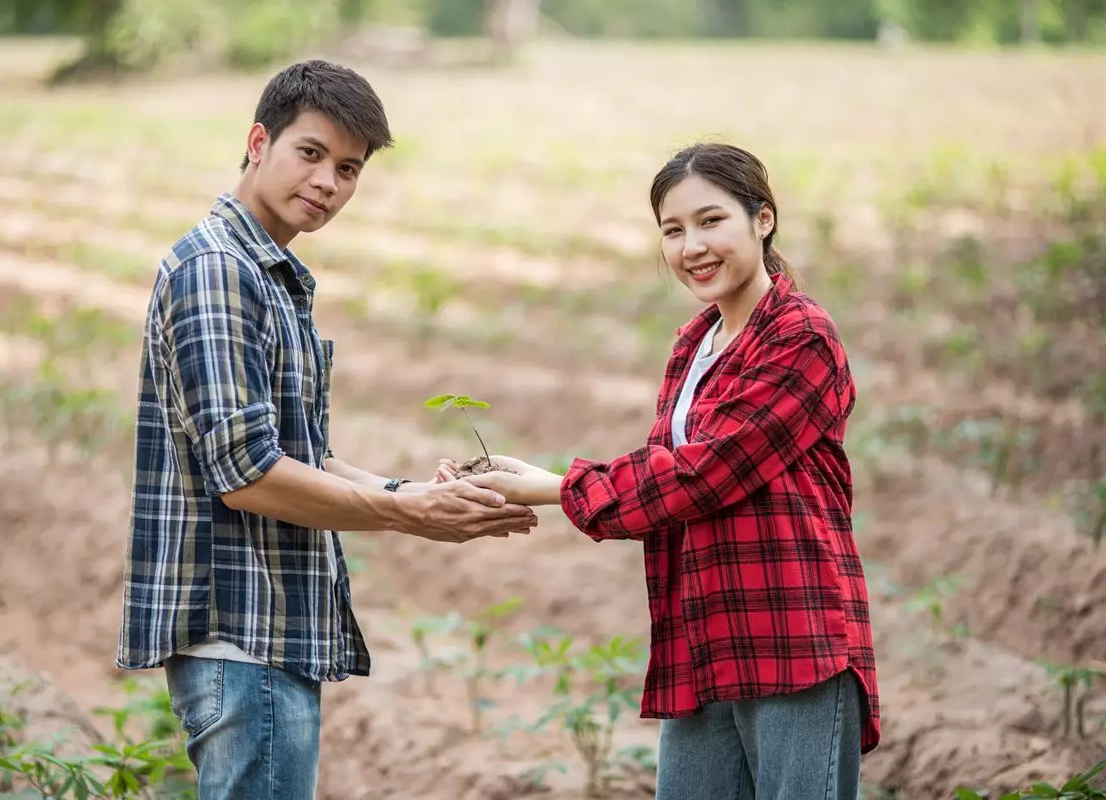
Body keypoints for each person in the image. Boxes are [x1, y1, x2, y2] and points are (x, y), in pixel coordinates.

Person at [116, 60, 537, 800]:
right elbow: (247, 475)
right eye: (310, 154)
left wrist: (413, 493)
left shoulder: (268, 273)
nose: (328, 184)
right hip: (243, 637)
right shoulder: (219, 270)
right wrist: (408, 513)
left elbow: (299, 454)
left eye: (348, 169)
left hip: (270, 635)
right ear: (258, 141)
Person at [439, 142, 880, 799]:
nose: (691, 246)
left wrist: (558, 487)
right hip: (701, 639)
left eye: (711, 221)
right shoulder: (693, 345)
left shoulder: (800, 337)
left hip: (792, 638)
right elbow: (670, 480)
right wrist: (545, 478)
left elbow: (703, 474)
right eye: (672, 231)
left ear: (762, 220)